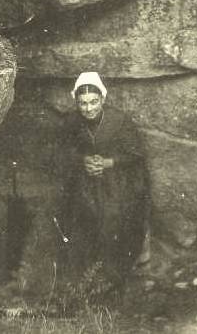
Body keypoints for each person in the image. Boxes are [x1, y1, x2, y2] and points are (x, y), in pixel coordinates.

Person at [55, 72, 150, 291]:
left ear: (103, 100)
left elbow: (136, 154)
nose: (88, 108)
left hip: (117, 180)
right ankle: (86, 276)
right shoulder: (71, 122)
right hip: (84, 180)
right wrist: (83, 161)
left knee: (113, 217)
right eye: (83, 103)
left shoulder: (120, 121)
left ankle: (113, 276)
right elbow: (60, 152)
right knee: (82, 218)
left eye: (93, 102)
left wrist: (109, 162)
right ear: (76, 103)